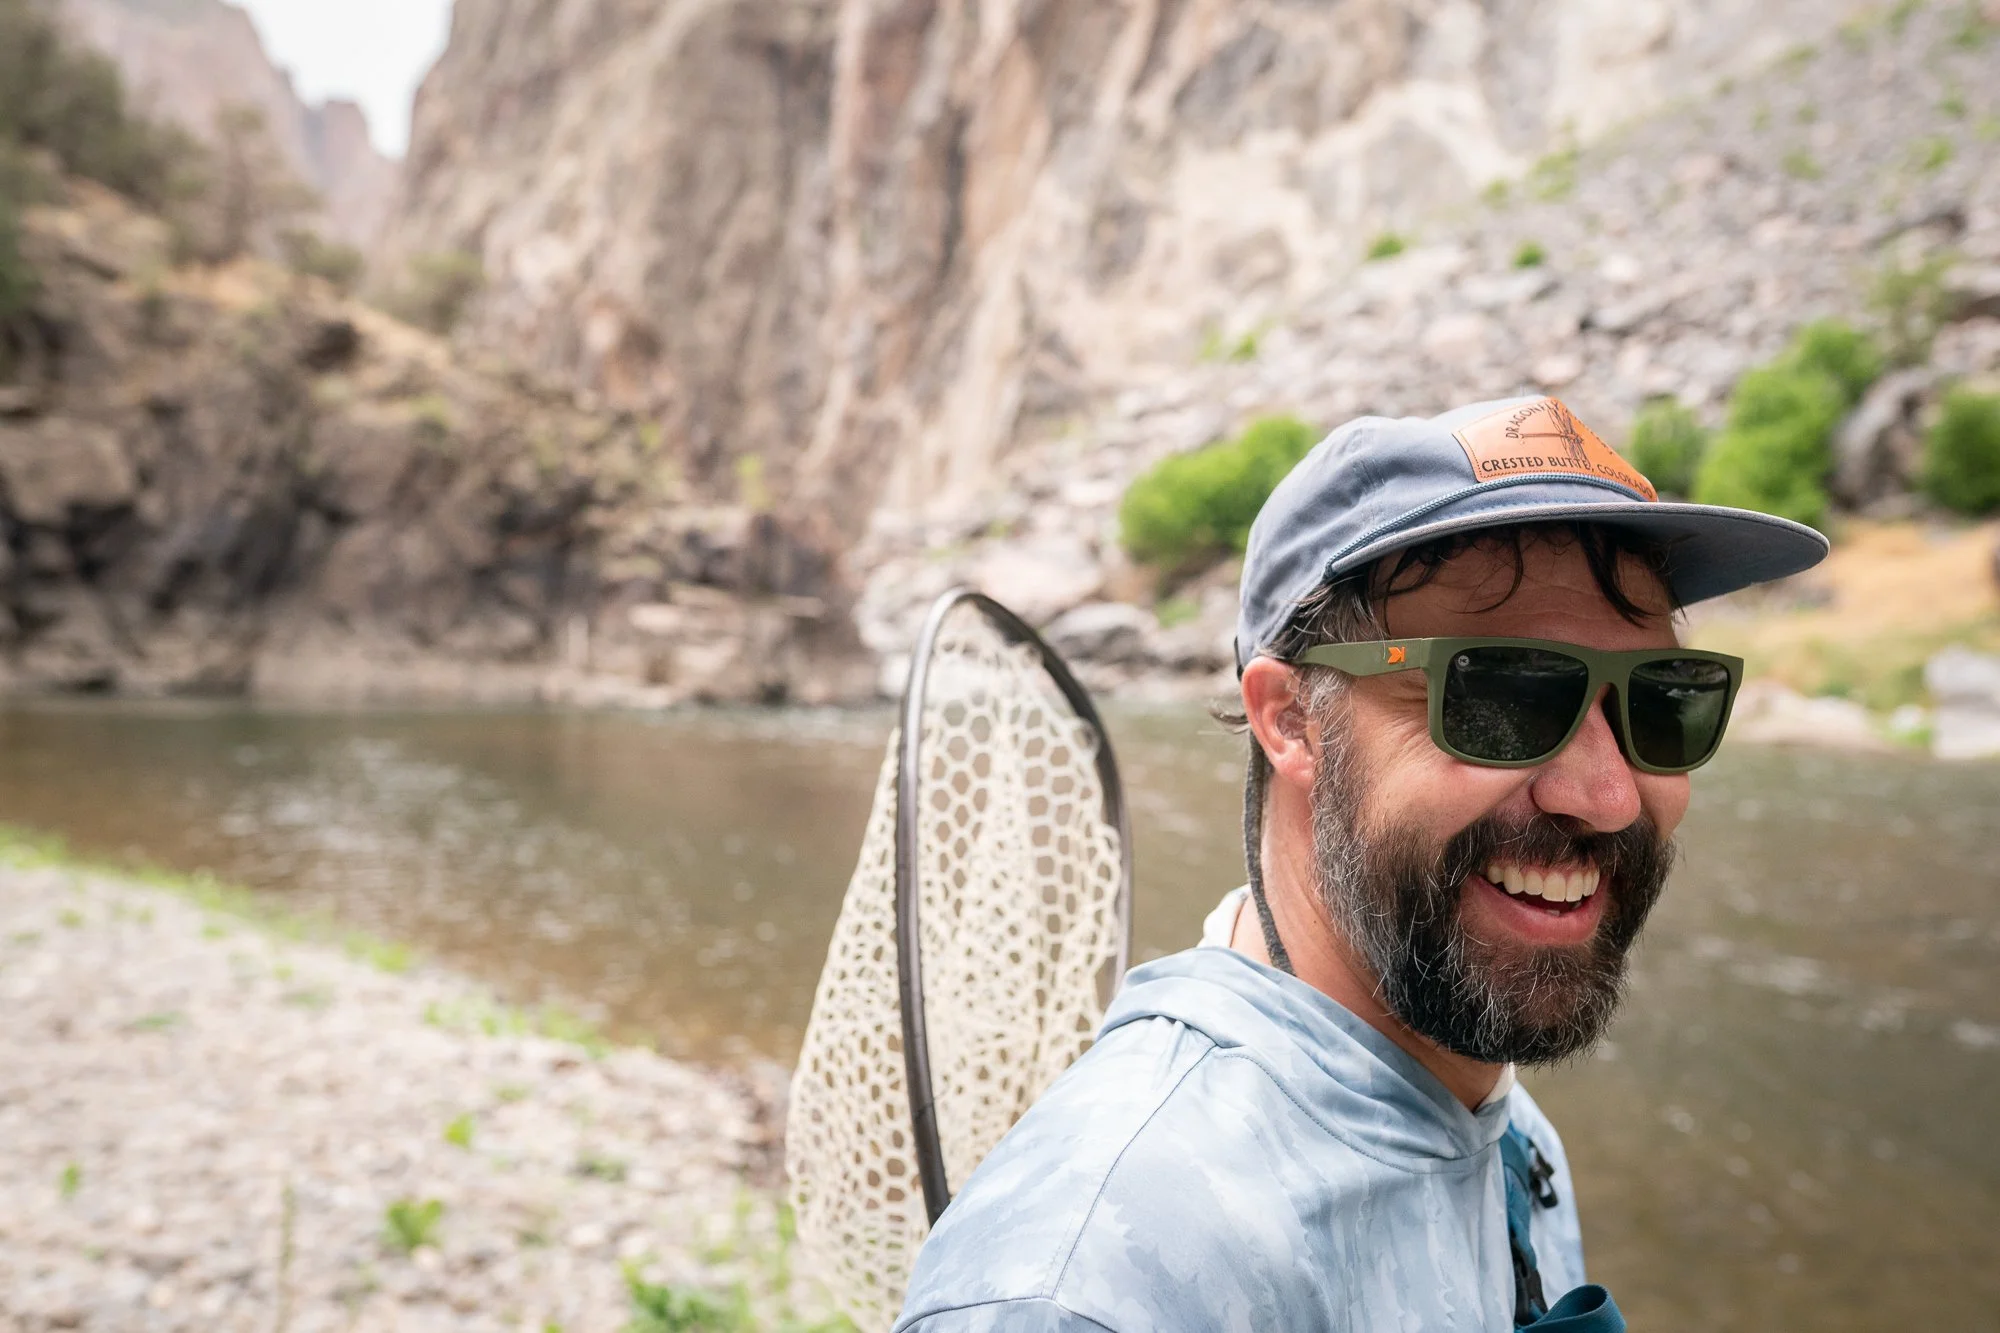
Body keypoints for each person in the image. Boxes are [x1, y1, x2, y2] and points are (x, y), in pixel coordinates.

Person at [891, 396, 1827, 1332]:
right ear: (1291, 718)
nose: (1608, 794)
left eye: (1664, 701)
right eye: (1501, 695)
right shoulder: (1088, 1282)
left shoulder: (1503, 1125)